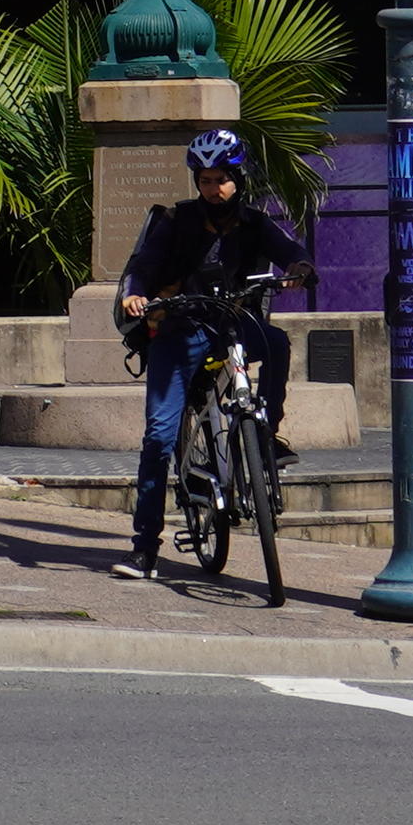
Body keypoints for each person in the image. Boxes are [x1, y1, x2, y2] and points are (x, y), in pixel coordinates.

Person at [111, 128, 295, 582]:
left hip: (236, 325)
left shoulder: (255, 223)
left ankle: (266, 431)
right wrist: (135, 295)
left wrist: (301, 268)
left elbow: (291, 252)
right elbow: (142, 267)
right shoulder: (178, 219)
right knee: (158, 437)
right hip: (182, 329)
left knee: (277, 343)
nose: (214, 189)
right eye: (206, 180)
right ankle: (144, 549)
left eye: (222, 180)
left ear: (240, 178)